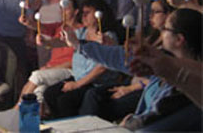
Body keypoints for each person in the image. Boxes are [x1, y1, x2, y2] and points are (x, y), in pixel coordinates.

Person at [61, 8, 202, 131]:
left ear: (179, 39)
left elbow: (153, 121)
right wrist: (78, 44)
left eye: (165, 28)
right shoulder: (166, 61)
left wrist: (128, 125)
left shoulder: (187, 83)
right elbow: (119, 57)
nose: (161, 32)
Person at [78, 0, 173, 122]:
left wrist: (128, 89)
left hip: (143, 87)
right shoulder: (150, 39)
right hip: (132, 80)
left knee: (107, 106)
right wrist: (113, 46)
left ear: (169, 15)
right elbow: (127, 59)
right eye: (150, 11)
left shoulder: (170, 45)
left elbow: (155, 77)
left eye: (156, 12)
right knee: (93, 94)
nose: (151, 16)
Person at [43, 0, 120, 119]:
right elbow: (64, 42)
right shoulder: (81, 32)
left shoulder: (108, 37)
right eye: (83, 13)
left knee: (66, 100)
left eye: (87, 13)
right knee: (49, 93)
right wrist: (46, 42)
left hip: (95, 82)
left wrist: (77, 84)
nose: (83, 16)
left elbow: (102, 68)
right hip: (79, 77)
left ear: (99, 15)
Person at [14, 0, 81, 109]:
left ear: (76, 12)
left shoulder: (81, 31)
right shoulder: (58, 27)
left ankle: (15, 112)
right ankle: (35, 120)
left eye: (67, 8)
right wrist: (27, 21)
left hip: (69, 70)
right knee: (38, 90)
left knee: (36, 76)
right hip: (53, 69)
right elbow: (39, 26)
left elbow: (76, 61)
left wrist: (51, 68)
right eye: (61, 8)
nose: (63, 11)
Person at [29, 0, 68, 67]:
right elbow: (34, 5)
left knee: (58, 64)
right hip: (43, 36)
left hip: (59, 37)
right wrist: (28, 4)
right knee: (43, 65)